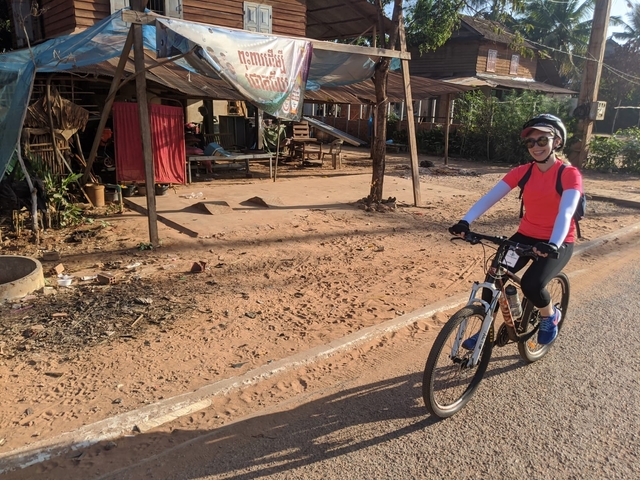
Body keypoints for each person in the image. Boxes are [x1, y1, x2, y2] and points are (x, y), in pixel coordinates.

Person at [449, 114, 583, 346]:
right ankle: (484, 331)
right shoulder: (523, 171)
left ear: (557, 142)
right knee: (493, 277)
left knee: (532, 284)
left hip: (558, 240)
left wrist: (552, 243)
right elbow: (489, 198)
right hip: (525, 236)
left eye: (542, 140)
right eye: (530, 142)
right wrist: (465, 221)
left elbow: (567, 212)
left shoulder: (569, 174)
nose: (535, 146)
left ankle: (550, 316)